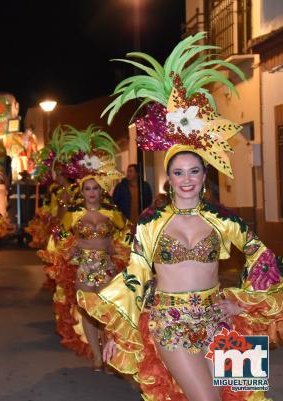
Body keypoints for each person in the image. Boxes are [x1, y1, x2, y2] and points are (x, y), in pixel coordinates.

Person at [79, 32, 283, 401]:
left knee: (247, 396)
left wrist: (240, 300)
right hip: (171, 325)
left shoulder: (224, 220)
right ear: (168, 178)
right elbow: (135, 276)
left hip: (221, 320)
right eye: (178, 172)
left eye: (194, 171)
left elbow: (263, 257)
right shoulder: (150, 221)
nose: (186, 180)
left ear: (205, 176)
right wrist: (115, 329)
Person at [39, 125, 131, 370]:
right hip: (82, 268)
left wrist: (120, 254)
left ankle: (107, 347)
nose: (91, 192)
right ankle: (97, 355)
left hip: (107, 267)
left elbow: (125, 238)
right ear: (82, 191)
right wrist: (65, 255)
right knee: (88, 311)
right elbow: (59, 235)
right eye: (87, 188)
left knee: (106, 312)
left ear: (102, 190)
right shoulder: (74, 215)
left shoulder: (112, 214)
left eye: (95, 188)